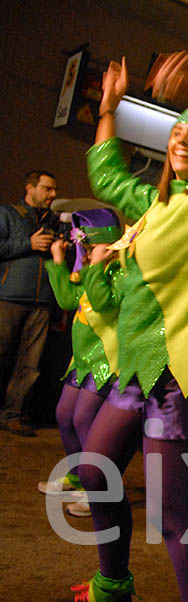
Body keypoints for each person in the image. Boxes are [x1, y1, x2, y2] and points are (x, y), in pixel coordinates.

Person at [70, 52, 188, 602]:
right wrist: (109, 110)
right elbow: (107, 173)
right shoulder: (155, 205)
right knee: (94, 470)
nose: (181, 138)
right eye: (175, 130)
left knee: (172, 516)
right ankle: (114, 583)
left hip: (179, 374)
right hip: (135, 367)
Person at [37, 209, 123, 519]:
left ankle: (99, 488)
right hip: (82, 359)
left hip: (106, 360)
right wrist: (59, 261)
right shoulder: (91, 269)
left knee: (85, 419)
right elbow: (67, 299)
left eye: (85, 245)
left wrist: (96, 267)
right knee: (64, 415)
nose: (82, 252)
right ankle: (77, 477)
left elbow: (102, 304)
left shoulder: (121, 272)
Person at [0, 169, 62, 436]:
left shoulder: (56, 222)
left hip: (42, 301)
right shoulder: (8, 214)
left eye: (53, 189)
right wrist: (29, 243)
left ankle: (12, 414)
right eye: (47, 188)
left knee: (30, 364)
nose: (53, 194)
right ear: (30, 188)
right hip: (9, 297)